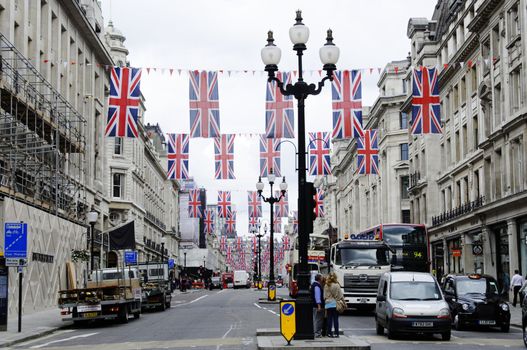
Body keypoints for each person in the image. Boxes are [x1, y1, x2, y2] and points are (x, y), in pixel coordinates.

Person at [324, 272, 343, 338]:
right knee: (335, 319)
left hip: (328, 303)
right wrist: (344, 302)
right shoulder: (337, 285)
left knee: (329, 319)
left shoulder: (326, 285)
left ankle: (329, 333)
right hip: (335, 303)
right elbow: (341, 295)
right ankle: (336, 333)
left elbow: (324, 296)